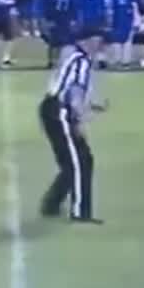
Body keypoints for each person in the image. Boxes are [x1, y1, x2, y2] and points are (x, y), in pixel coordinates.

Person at [38, 31, 106, 223]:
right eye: (98, 41)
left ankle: (52, 203)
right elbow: (73, 93)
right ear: (87, 40)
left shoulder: (73, 56)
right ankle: (80, 212)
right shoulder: (80, 61)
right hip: (60, 111)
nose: (100, 46)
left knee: (79, 160)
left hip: (52, 109)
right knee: (77, 162)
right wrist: (78, 121)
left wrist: (92, 106)